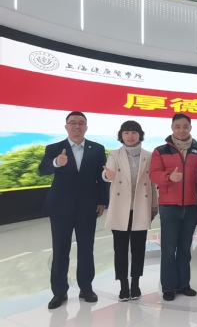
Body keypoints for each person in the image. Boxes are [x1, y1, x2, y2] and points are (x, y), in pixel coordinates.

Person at [38, 111, 109, 309]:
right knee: (60, 250)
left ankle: (86, 288)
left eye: (81, 123)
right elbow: (42, 170)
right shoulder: (54, 148)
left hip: (88, 206)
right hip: (60, 207)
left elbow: (102, 177)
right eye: (72, 123)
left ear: (86, 127)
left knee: (86, 249)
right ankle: (59, 292)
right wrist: (56, 163)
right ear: (66, 126)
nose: (77, 126)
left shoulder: (97, 148)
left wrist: (102, 200)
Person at [150, 113, 197, 302]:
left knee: (185, 248)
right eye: (178, 126)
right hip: (169, 207)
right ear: (172, 128)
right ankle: (168, 287)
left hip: (191, 207)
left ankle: (184, 284)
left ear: (190, 128)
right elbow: (154, 174)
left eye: (185, 126)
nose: (182, 130)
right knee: (168, 249)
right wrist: (169, 177)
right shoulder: (160, 151)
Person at [102, 121, 158, 301]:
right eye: (126, 132)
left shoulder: (149, 156)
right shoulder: (115, 154)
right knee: (120, 250)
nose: (130, 136)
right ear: (121, 135)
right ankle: (123, 286)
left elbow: (152, 184)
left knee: (138, 249)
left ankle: (135, 284)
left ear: (140, 135)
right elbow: (108, 171)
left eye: (134, 132)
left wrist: (154, 207)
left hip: (140, 208)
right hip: (121, 209)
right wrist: (107, 175)